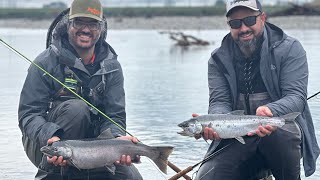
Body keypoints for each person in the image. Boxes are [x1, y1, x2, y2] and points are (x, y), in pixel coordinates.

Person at [194, 0, 320, 180]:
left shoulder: (290, 48)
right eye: (235, 23)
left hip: (281, 135)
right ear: (229, 25)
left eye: (250, 20)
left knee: (280, 137)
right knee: (206, 177)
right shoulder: (218, 59)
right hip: (235, 139)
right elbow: (219, 102)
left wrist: (271, 111)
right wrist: (214, 123)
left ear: (263, 17)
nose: (244, 28)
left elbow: (296, 97)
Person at [18, 0, 143, 179]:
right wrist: (51, 137)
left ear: (101, 28)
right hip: (44, 146)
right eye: (79, 22)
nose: (86, 29)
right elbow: (28, 116)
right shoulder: (44, 63)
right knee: (76, 109)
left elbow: (115, 117)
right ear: (68, 25)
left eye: (92, 23)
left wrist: (116, 140)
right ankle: (50, 174)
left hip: (95, 149)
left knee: (132, 177)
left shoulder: (113, 67)